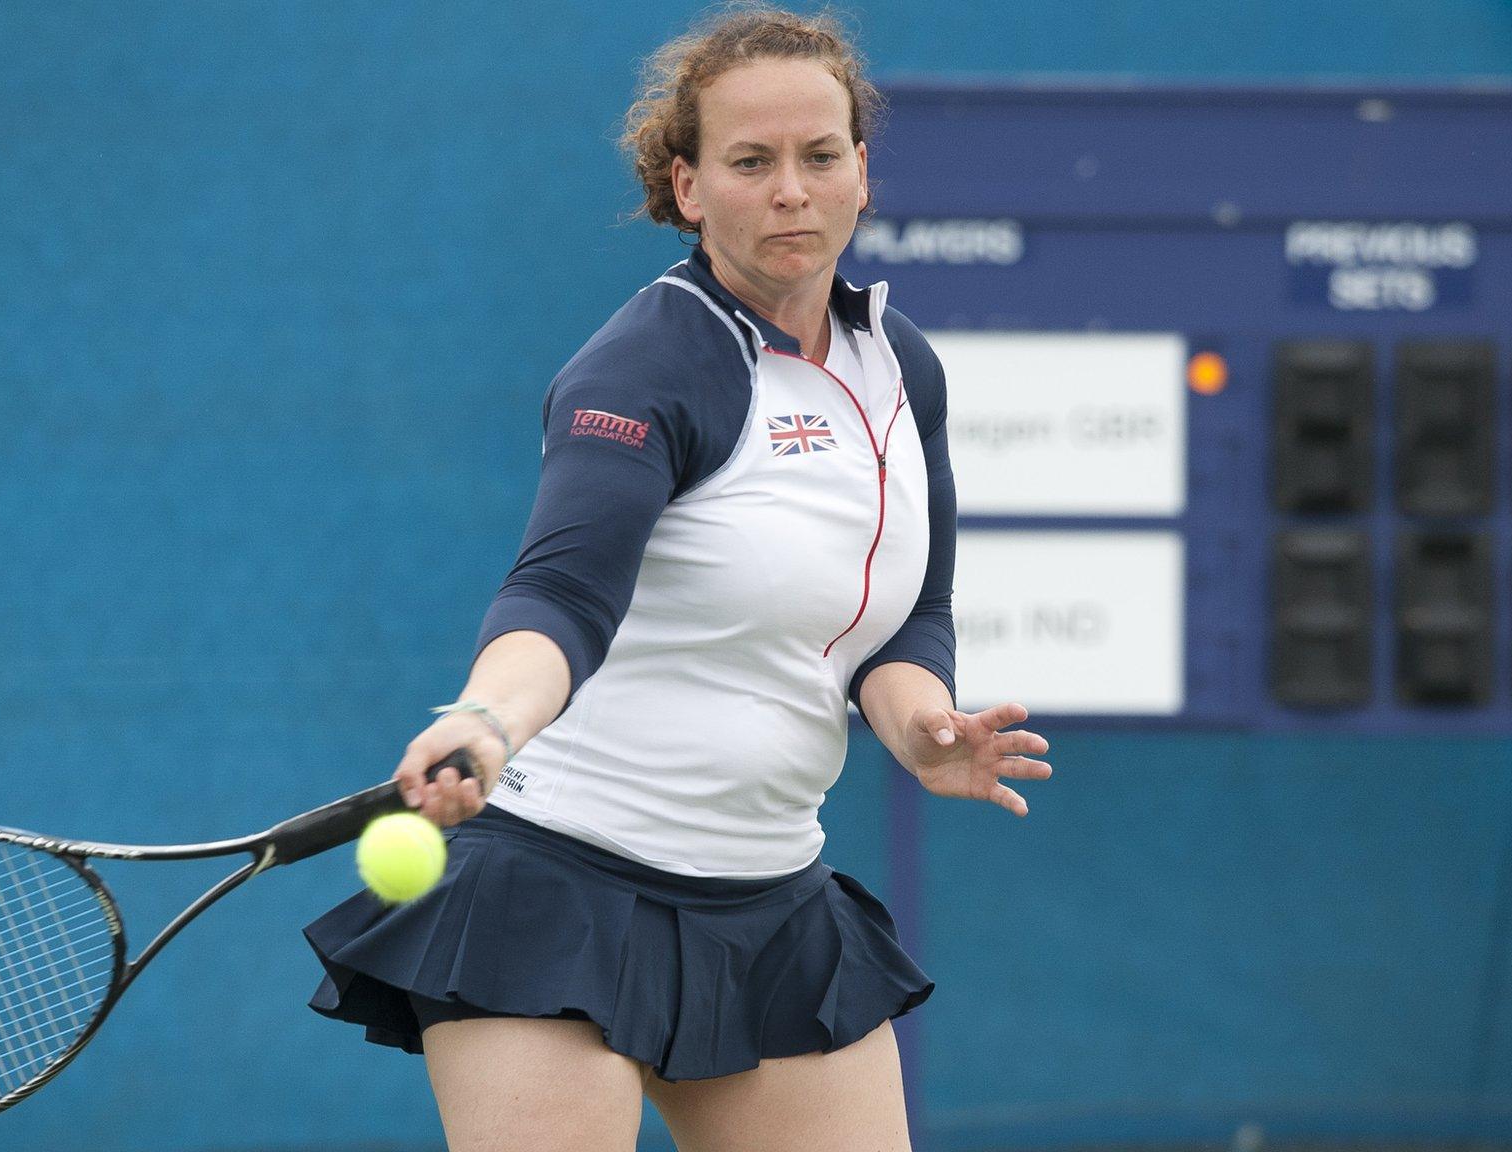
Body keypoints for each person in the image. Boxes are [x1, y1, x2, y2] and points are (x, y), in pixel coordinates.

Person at [304, 6, 1051, 1149]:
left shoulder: (900, 366)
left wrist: (918, 726)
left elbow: (910, 617)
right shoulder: (648, 366)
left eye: (818, 155)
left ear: (862, 169)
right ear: (688, 186)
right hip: (555, 886)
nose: (790, 190)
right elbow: (561, 593)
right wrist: (486, 720)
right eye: (750, 162)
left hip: (771, 901)